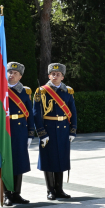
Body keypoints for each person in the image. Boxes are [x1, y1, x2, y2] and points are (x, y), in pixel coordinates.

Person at [0, 61, 35, 205]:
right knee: (5, 161)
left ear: (20, 76)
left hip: (20, 131)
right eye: (9, 72)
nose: (11, 75)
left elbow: (30, 114)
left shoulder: (25, 92)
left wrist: (30, 133)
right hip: (4, 130)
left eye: (15, 73)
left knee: (19, 162)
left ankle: (16, 194)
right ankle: (7, 195)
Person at [34, 63, 76, 200]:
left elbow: (73, 111)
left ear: (62, 77)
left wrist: (72, 130)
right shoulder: (41, 91)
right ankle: (50, 190)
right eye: (53, 74)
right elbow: (36, 114)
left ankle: (59, 189)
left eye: (58, 74)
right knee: (48, 160)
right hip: (48, 129)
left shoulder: (68, 91)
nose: (55, 76)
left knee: (61, 159)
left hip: (63, 129)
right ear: (49, 76)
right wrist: (41, 133)